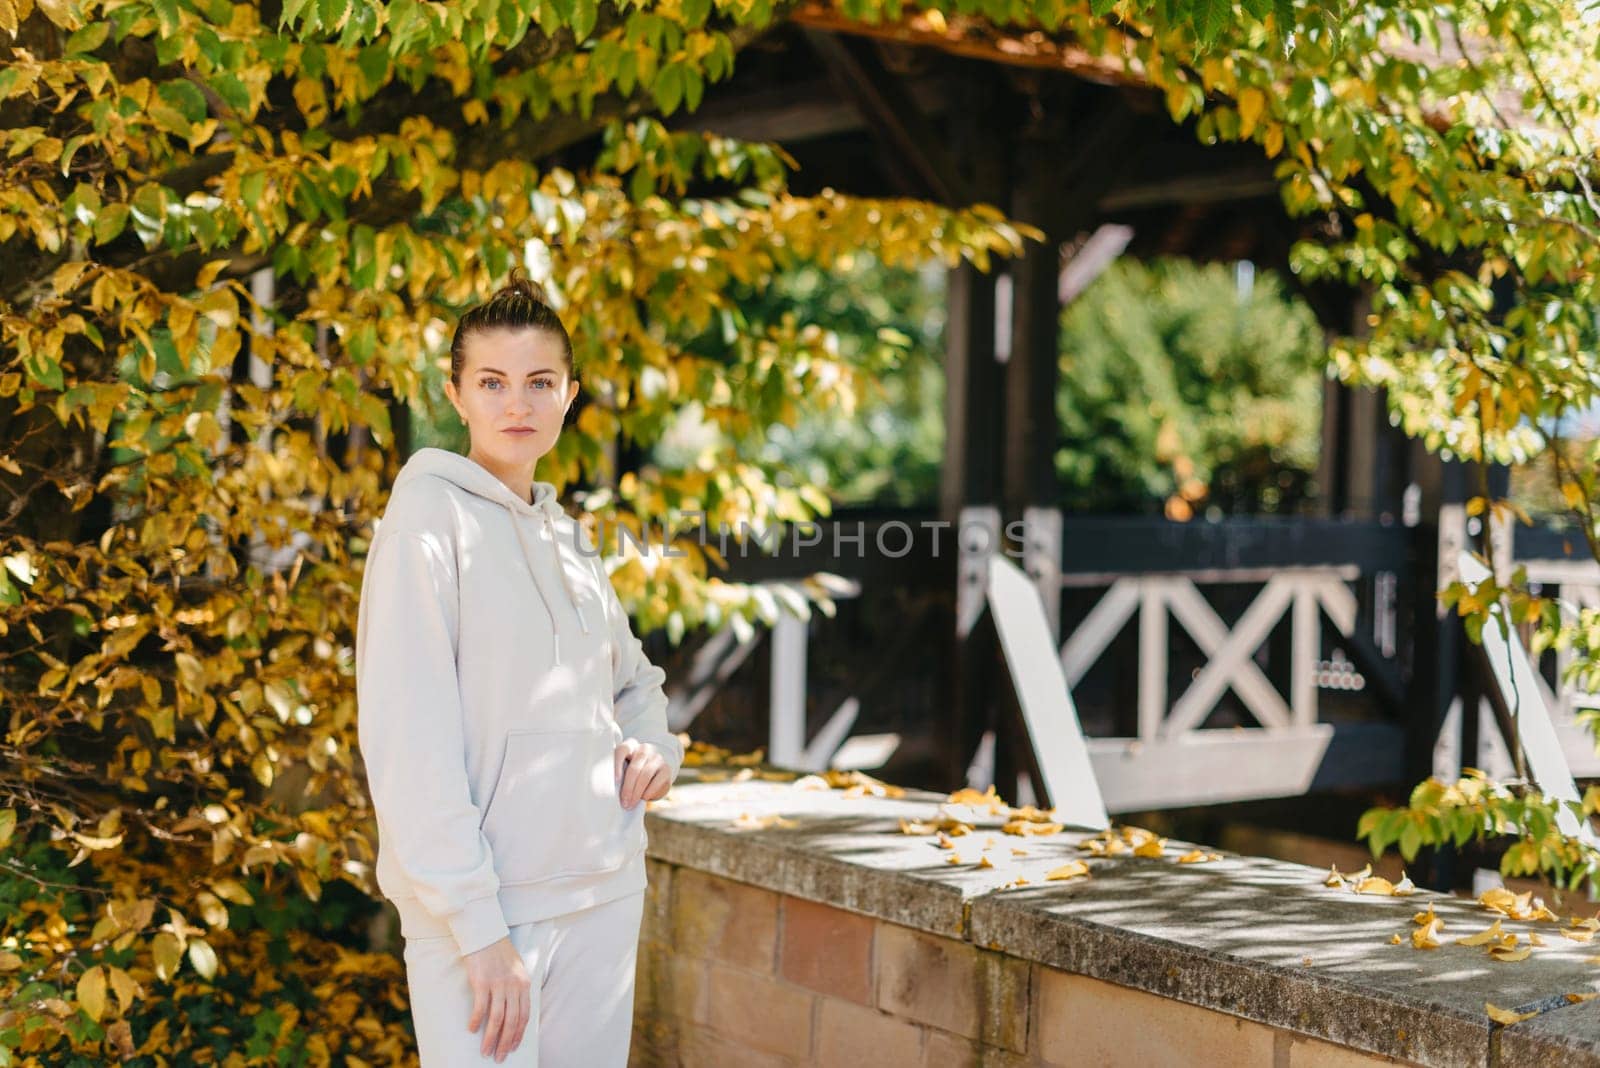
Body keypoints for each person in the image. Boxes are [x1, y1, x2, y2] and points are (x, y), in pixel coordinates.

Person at [354, 271, 684, 1066]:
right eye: (493, 382)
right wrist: (478, 929)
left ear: (570, 394)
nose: (517, 405)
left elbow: (635, 684)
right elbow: (409, 743)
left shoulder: (569, 539)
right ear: (456, 394)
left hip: (603, 892)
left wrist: (656, 747)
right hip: (484, 917)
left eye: (540, 383)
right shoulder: (425, 521)